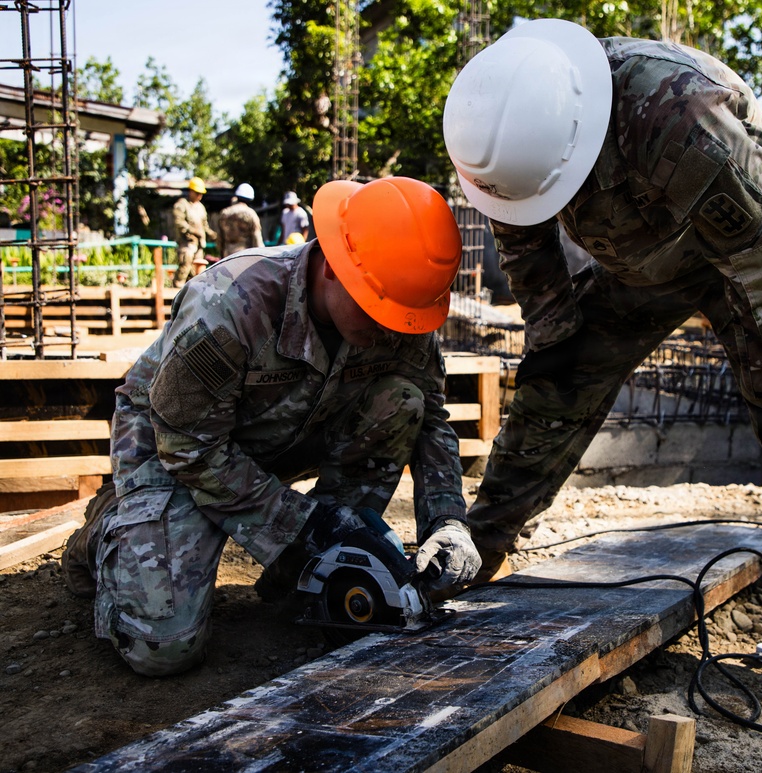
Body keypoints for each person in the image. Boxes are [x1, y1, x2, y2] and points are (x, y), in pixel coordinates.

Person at [443, 19, 762, 760]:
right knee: (559, 375)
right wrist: (558, 350)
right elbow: (536, 270)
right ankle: (481, 546)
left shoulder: (680, 111)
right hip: (648, 258)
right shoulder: (497, 133)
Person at [61, 177, 482, 677]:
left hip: (290, 435)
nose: (391, 331)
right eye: (378, 313)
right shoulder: (229, 303)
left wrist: (448, 521)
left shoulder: (400, 306)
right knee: (163, 647)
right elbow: (186, 445)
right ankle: (111, 526)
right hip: (177, 447)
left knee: (402, 400)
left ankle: (312, 568)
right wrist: (305, 524)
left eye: (403, 318)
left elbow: (429, 414)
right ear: (331, 265)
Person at [172, 177, 217, 287]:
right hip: (187, 243)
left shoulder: (201, 207)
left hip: (199, 245)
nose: (199, 196)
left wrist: (213, 234)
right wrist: (193, 231)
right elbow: (179, 222)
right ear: (191, 191)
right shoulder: (182, 205)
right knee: (185, 266)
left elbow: (205, 226)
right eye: (197, 193)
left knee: (198, 271)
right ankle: (177, 289)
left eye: (201, 193)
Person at [216, 182, 264, 258]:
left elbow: (219, 238)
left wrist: (221, 255)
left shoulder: (225, 213)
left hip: (227, 255)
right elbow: (256, 239)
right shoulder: (251, 214)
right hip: (244, 256)